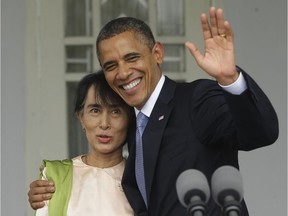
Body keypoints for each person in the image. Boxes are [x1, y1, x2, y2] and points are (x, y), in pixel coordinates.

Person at [28, 7, 278, 216]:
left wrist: (230, 79)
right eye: (111, 65)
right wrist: (53, 194)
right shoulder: (136, 126)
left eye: (132, 58)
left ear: (157, 53)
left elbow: (261, 133)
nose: (123, 72)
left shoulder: (195, 99)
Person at [31, 71, 135, 215]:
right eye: (95, 110)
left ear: (129, 119)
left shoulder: (140, 181)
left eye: (116, 111)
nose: (104, 124)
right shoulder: (55, 177)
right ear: (81, 118)